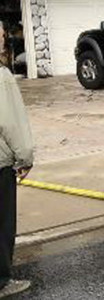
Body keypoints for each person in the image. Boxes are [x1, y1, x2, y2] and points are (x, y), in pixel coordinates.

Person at [0, 67, 34, 297]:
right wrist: (25, 157)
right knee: (2, 225)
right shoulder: (2, 77)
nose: (3, 38)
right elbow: (10, 122)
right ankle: (2, 281)